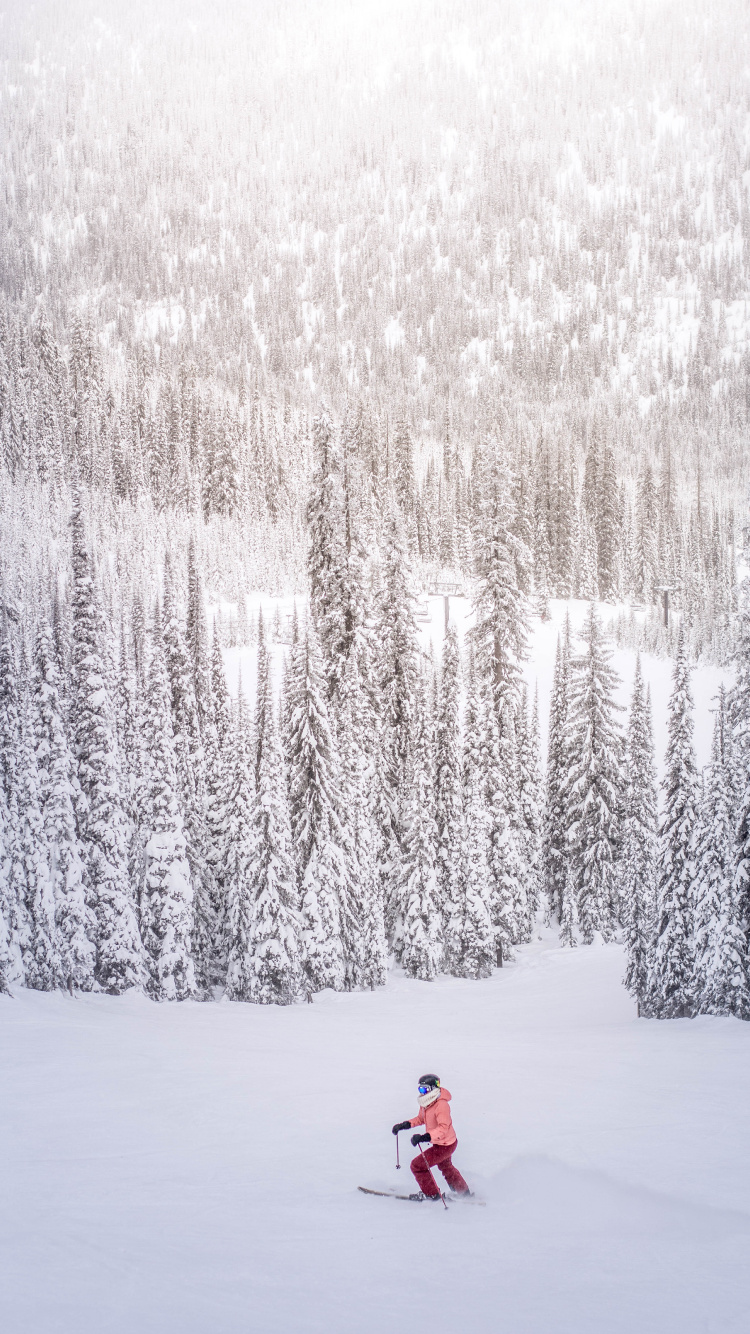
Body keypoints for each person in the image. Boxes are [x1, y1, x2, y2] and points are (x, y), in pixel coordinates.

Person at [391, 1074, 471, 1200]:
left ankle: (432, 1194)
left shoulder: (441, 1105)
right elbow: (421, 1119)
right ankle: (464, 1192)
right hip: (441, 1142)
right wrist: (405, 1125)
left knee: (418, 1165)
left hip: (445, 1144)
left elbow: (444, 1127)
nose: (422, 1093)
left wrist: (425, 1137)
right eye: (420, 1089)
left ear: (434, 1088)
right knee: (446, 1166)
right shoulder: (427, 1102)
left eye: (424, 1089)